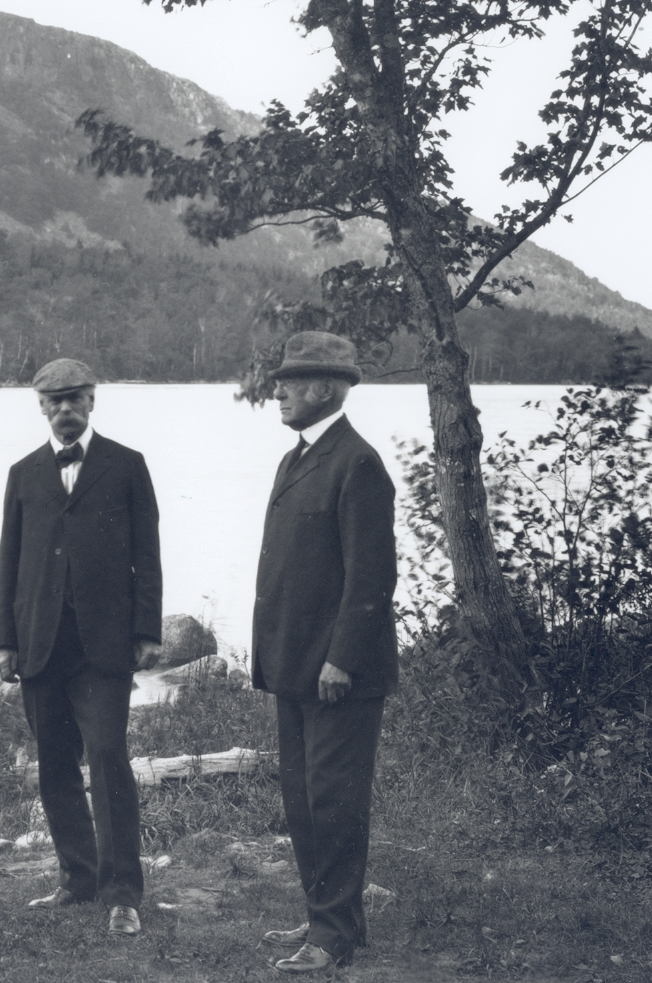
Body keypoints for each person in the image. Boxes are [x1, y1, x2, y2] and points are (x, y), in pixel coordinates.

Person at [0, 357, 164, 936]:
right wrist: (3, 642)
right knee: (55, 766)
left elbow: (149, 557)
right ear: (41, 406)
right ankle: (77, 879)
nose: (65, 408)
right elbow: (8, 562)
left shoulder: (127, 465)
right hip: (40, 646)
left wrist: (146, 631)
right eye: (53, 400)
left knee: (110, 759)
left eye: (75, 398)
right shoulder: (22, 472)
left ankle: (122, 894)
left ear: (92, 401)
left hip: (104, 647)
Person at [250, 331, 399, 974]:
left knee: (335, 802)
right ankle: (324, 916)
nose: (276, 389)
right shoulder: (298, 457)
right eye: (279, 378)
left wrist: (342, 657)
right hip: (294, 664)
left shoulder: (357, 462)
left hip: (337, 671)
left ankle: (335, 935)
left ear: (328, 388)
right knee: (303, 799)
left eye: (291, 379)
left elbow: (371, 577)